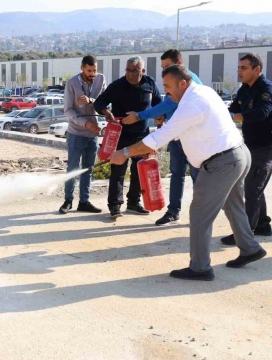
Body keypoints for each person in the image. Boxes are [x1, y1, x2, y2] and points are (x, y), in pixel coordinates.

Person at [109, 65, 266, 281]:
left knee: (200, 213)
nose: (166, 92)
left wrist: (125, 152)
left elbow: (162, 134)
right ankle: (250, 248)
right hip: (237, 155)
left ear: (182, 83)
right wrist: (152, 144)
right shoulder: (203, 92)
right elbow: (183, 130)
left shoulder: (191, 103)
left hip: (222, 162)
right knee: (234, 205)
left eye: (168, 86)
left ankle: (200, 267)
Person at [122, 49, 203, 226]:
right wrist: (164, 117)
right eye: (162, 67)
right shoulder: (175, 81)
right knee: (177, 174)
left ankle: (202, 214)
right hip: (176, 138)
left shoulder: (189, 82)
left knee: (197, 177)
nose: (164, 71)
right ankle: (174, 211)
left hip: (190, 138)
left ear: (180, 64)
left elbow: (169, 103)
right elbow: (171, 106)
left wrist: (140, 115)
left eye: (168, 66)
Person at [93, 56, 162, 218]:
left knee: (139, 170)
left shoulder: (149, 83)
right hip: (121, 136)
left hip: (142, 136)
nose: (130, 74)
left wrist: (161, 117)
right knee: (118, 170)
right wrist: (106, 112)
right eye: (128, 70)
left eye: (134, 71)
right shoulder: (117, 85)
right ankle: (115, 205)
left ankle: (133, 202)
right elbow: (99, 103)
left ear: (142, 71)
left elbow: (158, 102)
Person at [221, 53, 272, 245]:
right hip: (250, 145)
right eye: (239, 68)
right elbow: (232, 108)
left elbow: (262, 112)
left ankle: (244, 234)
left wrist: (238, 117)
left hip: (266, 146)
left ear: (257, 70)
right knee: (254, 187)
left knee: (252, 189)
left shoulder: (266, 89)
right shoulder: (244, 89)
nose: (239, 72)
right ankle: (262, 225)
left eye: (244, 68)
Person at [59, 55, 106, 214]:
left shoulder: (101, 79)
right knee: (72, 168)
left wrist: (91, 100)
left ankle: (84, 202)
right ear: (82, 68)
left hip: (92, 134)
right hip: (76, 133)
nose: (93, 73)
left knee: (88, 169)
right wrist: (85, 123)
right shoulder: (72, 83)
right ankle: (68, 201)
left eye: (95, 70)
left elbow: (104, 102)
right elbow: (68, 111)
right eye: (89, 70)